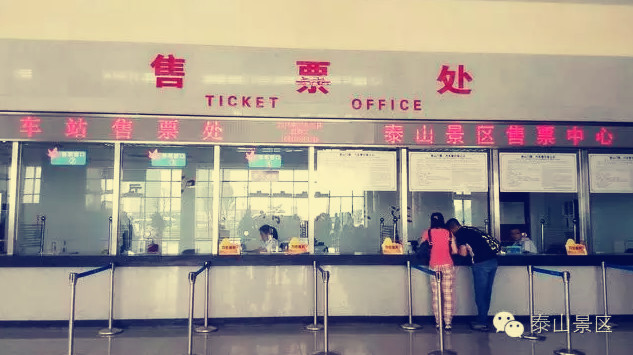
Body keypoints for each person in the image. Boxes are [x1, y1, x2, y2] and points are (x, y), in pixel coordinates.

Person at [446, 218, 498, 331]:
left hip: (481, 264)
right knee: (487, 292)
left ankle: (482, 322)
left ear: (452, 229)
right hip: (493, 261)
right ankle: (482, 318)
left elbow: (463, 253)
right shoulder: (471, 229)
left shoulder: (461, 234)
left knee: (480, 293)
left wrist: (454, 244)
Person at [420, 212, 458, 331]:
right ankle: (448, 323)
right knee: (448, 294)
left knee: (436, 295)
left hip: (434, 266)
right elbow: (455, 251)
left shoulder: (427, 233)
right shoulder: (449, 233)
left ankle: (438, 323)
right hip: (447, 265)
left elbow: (421, 247)